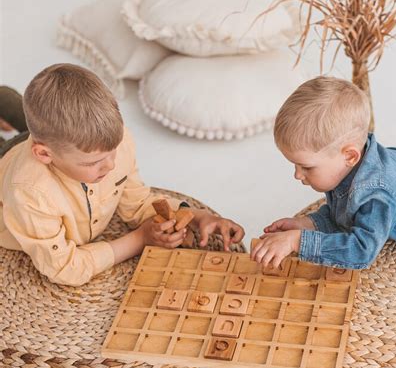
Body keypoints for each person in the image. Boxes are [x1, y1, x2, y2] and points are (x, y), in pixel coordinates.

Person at [0, 63, 244, 286]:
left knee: (33, 121)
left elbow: (135, 202)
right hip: (9, 166)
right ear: (44, 154)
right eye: (94, 162)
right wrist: (140, 239)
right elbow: (64, 268)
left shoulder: (114, 141)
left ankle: (5, 100)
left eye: (112, 152)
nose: (110, 166)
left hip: (53, 149)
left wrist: (195, 216)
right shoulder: (29, 192)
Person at [251, 76, 396, 270]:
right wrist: (309, 224)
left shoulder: (375, 194)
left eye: (306, 167)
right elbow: (347, 215)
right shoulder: (351, 164)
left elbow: (361, 250)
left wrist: (297, 242)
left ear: (350, 156)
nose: (297, 175)